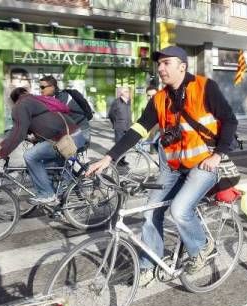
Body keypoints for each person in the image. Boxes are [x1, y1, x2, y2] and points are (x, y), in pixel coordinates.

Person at [86, 46, 238, 286]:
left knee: (179, 210)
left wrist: (218, 155)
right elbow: (138, 129)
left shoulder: (204, 87)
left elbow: (230, 120)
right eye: (159, 64)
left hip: (203, 164)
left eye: (166, 63)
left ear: (182, 66)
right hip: (172, 168)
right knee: (150, 213)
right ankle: (148, 265)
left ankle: (202, 247)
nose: (161, 68)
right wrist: (108, 157)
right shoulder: (159, 98)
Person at [0, 87, 87, 204]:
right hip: (74, 135)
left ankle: (47, 194)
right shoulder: (36, 101)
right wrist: (2, 144)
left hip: (66, 140)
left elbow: (18, 132)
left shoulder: (21, 105)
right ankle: (62, 202)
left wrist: (2, 152)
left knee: (30, 156)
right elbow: (24, 128)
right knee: (50, 168)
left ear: (13, 100)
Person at [39, 76, 92, 144]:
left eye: (43, 87)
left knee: (33, 154)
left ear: (52, 87)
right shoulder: (53, 98)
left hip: (82, 134)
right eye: (40, 87)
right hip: (72, 133)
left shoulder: (62, 99)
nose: (41, 90)